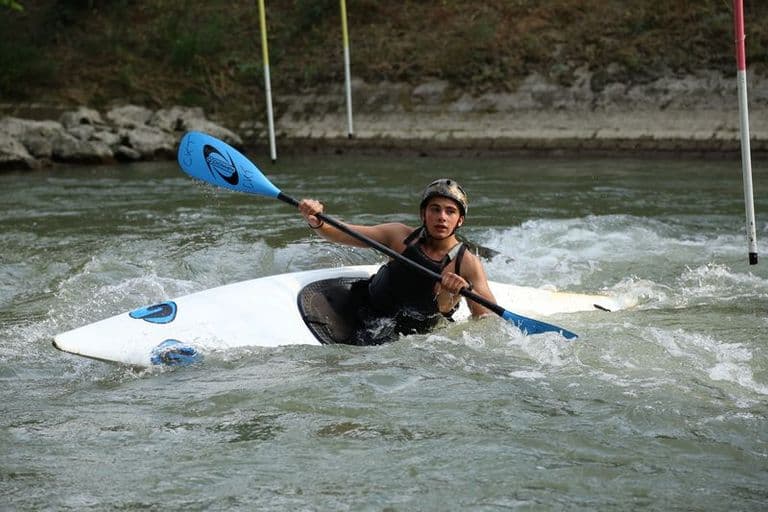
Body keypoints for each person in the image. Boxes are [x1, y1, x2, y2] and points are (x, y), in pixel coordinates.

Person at [298, 178, 497, 345]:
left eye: (450, 211)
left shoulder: (467, 263)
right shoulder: (398, 235)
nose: (441, 217)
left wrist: (461, 292)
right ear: (423, 214)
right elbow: (344, 233)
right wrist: (318, 222)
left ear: (460, 220)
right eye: (435, 209)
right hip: (366, 313)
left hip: (412, 339)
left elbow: (487, 319)